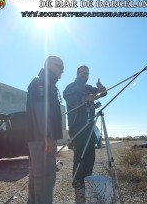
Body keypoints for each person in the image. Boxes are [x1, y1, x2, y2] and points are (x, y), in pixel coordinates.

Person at [63, 65, 107, 201]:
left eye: (87, 73)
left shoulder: (88, 87)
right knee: (79, 155)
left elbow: (104, 93)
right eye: (83, 72)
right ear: (78, 73)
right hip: (77, 126)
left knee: (90, 155)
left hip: (89, 127)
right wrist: (85, 98)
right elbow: (71, 100)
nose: (86, 75)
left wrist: (100, 87)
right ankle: (77, 184)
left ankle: (87, 180)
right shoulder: (71, 87)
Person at [26, 55, 64, 204]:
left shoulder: (48, 84)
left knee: (36, 176)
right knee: (46, 177)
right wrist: (47, 135)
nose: (62, 72)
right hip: (42, 138)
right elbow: (40, 109)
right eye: (61, 68)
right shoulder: (41, 82)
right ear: (51, 65)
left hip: (41, 137)